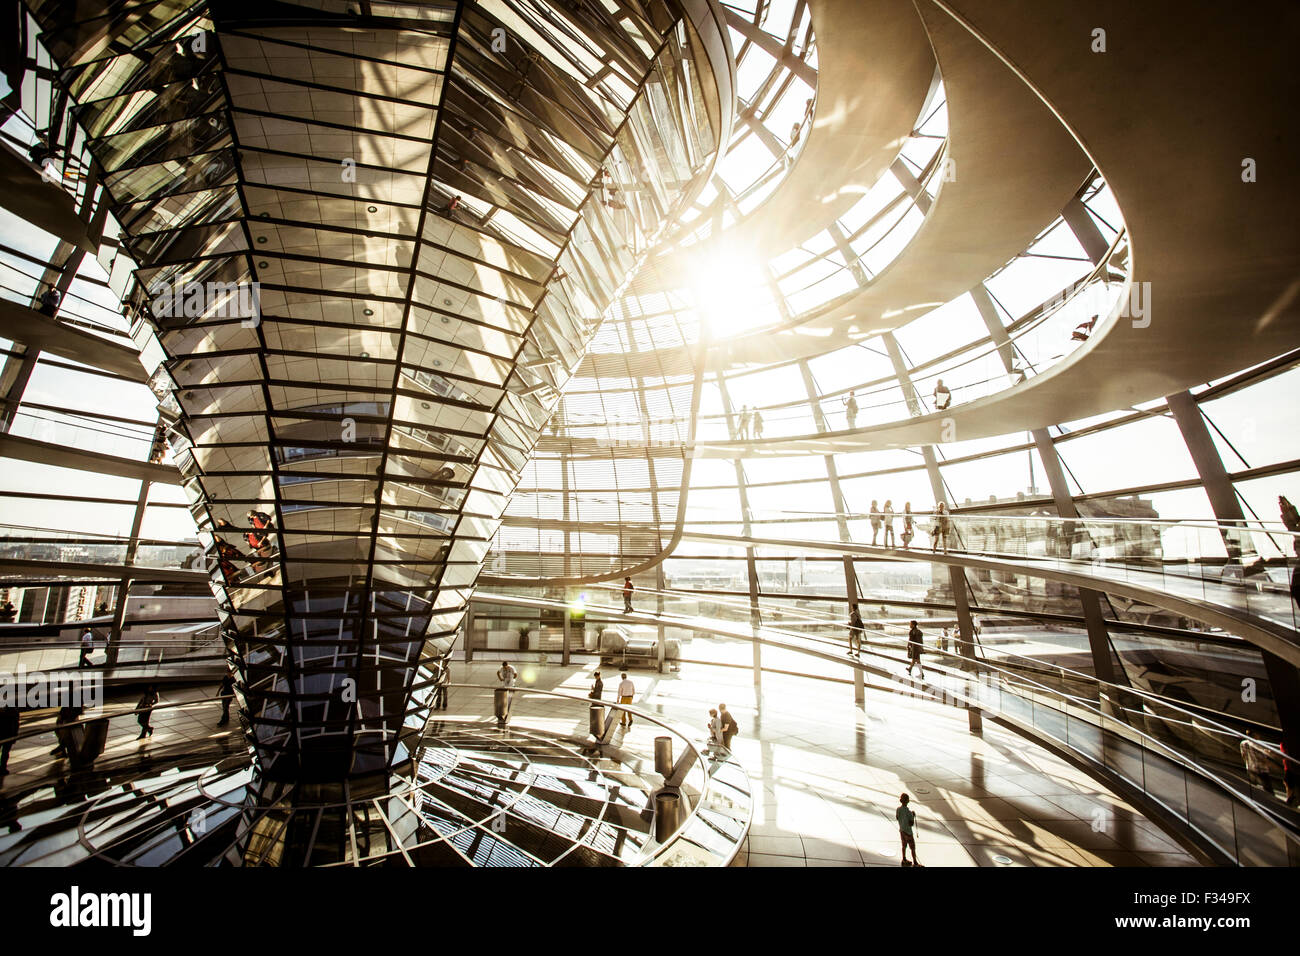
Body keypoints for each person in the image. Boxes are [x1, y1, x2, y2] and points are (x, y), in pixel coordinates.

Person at [896, 793, 922, 866]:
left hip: (902, 831)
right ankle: (915, 863)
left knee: (904, 846)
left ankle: (904, 859)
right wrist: (913, 816)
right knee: (912, 848)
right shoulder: (909, 812)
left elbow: (897, 818)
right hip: (908, 833)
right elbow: (911, 823)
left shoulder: (898, 809)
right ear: (908, 801)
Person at [0, 705, 18, 777]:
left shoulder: (11, 711)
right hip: (8, 734)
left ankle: (3, 768)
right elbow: (16, 723)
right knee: (5, 752)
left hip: (5, 733)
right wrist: (14, 735)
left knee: (5, 752)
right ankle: (3, 768)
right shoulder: (12, 711)